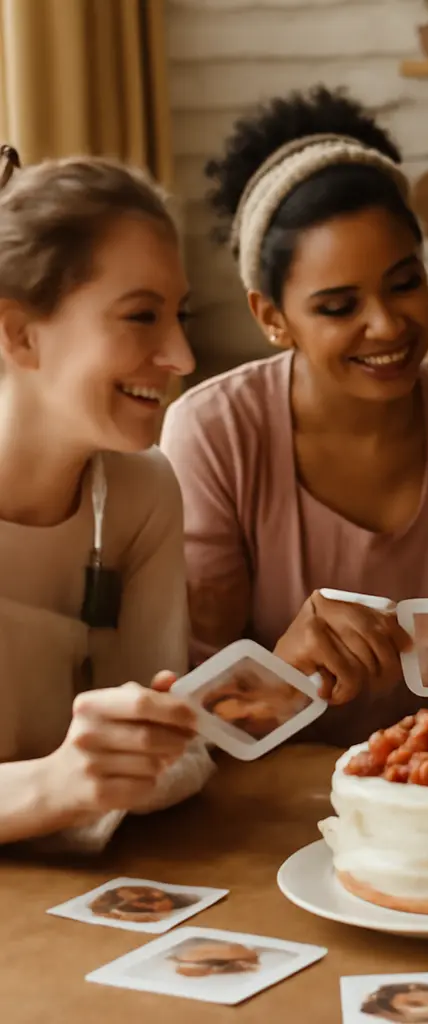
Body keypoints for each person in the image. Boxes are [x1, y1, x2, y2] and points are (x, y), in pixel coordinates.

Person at [160, 88, 428, 745]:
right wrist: (283, 669)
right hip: (270, 807)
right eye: (337, 306)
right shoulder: (215, 435)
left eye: (405, 283)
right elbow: (193, 717)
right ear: (271, 317)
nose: (387, 325)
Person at [0, 148, 213, 850]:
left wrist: (153, 749)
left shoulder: (145, 491)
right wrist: (53, 787)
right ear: (19, 332)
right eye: (141, 316)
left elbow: (175, 751)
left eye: (179, 314)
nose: (182, 356)